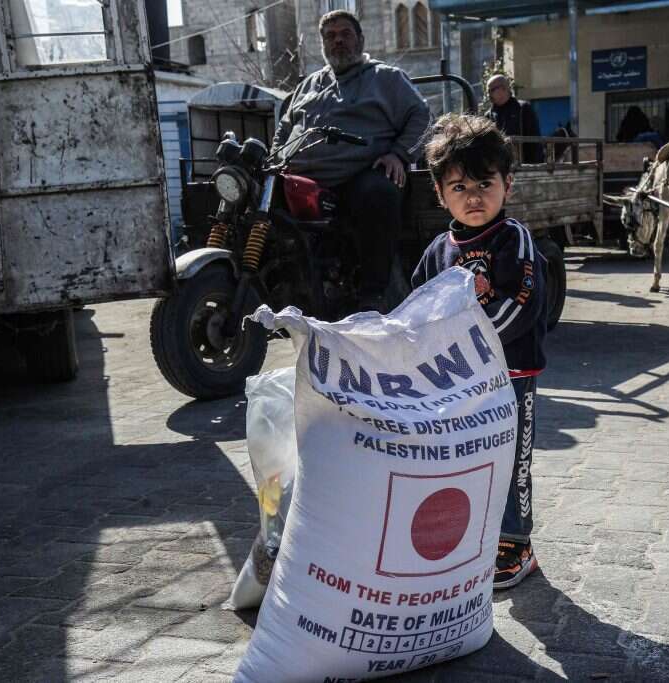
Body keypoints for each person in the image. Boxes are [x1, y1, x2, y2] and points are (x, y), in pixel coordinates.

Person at [412, 114, 547, 589]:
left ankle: (516, 543)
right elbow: (417, 310)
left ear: (507, 184)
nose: (473, 197)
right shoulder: (437, 251)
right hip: (460, 383)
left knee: (512, 460)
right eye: (459, 186)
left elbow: (522, 303)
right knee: (468, 458)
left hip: (512, 377)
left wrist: (468, 349)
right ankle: (475, 537)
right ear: (439, 193)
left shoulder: (513, 239)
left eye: (484, 184)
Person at [270, 10, 431, 311]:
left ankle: (374, 295)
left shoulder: (386, 78)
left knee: (377, 192)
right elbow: (284, 129)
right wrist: (278, 159)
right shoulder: (308, 85)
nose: (338, 41)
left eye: (345, 34)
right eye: (330, 36)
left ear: (360, 40)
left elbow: (423, 117)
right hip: (302, 179)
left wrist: (399, 154)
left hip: (359, 174)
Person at [485, 75, 545, 165]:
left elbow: (535, 141)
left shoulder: (522, 108)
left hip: (524, 166)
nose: (489, 95)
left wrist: (533, 166)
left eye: (492, 90)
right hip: (500, 167)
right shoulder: (489, 115)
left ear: (504, 89)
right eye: (489, 91)